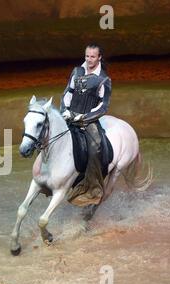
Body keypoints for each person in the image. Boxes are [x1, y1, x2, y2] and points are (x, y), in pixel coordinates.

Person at [60, 43, 112, 206]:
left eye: (92, 56)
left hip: (87, 119)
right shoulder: (77, 71)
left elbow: (103, 106)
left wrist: (84, 117)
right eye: (87, 56)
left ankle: (92, 188)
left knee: (96, 146)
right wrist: (65, 110)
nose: (89, 59)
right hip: (70, 114)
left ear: (99, 58)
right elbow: (67, 93)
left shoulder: (103, 79)